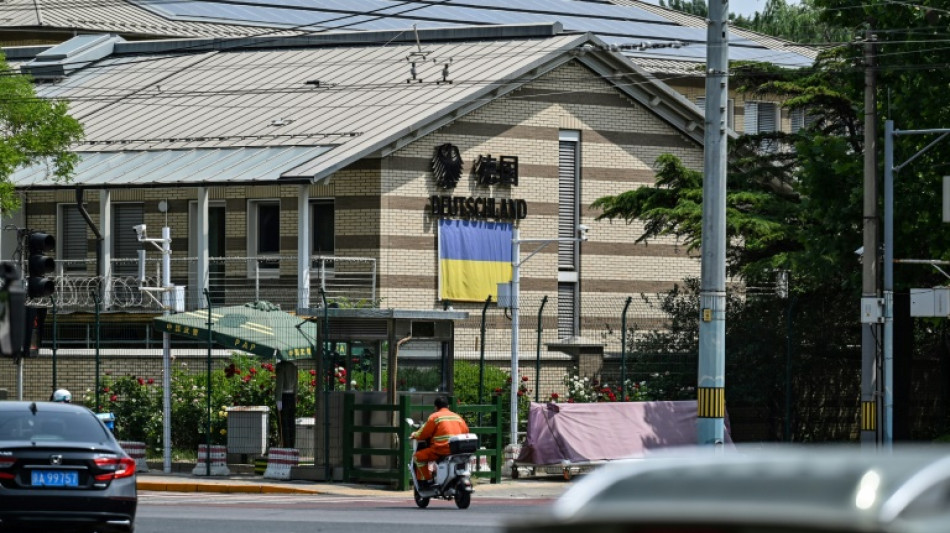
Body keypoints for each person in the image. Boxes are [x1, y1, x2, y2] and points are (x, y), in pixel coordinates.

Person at [410, 396, 469, 486]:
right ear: (448, 406)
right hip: (456, 451)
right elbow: (466, 431)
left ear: (436, 407)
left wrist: (414, 435)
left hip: (440, 450)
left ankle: (426, 481)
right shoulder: (457, 417)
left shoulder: (435, 417)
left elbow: (423, 433)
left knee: (418, 457)